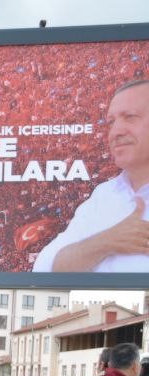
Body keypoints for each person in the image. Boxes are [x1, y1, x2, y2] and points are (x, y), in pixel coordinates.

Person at [33, 79, 149, 273]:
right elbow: (45, 268)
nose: (116, 132)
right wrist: (106, 242)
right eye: (112, 122)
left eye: (130, 117)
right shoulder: (105, 194)